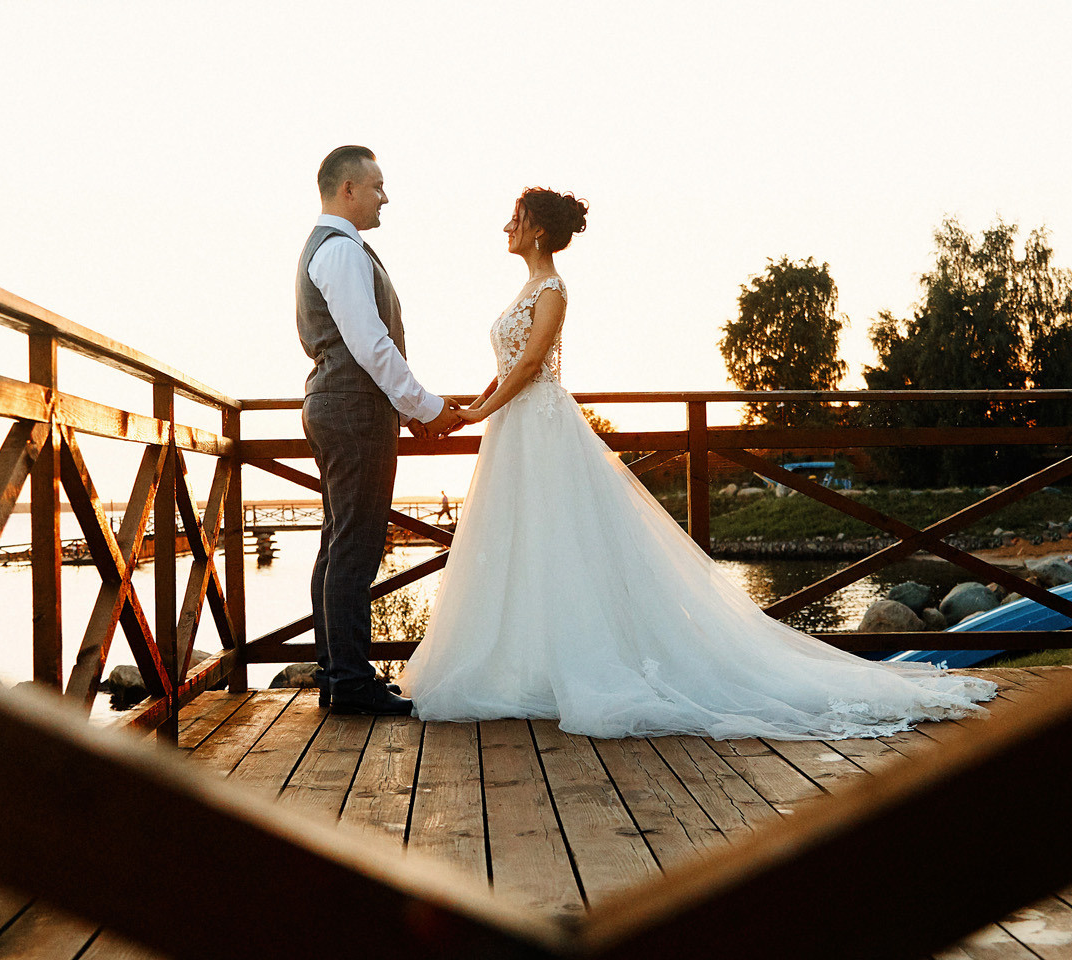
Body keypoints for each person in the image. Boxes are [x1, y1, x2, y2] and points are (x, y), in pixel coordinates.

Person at [404, 187, 995, 739]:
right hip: (516, 431)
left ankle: (583, 666)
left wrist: (477, 414)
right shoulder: (525, 290)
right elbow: (510, 364)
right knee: (522, 545)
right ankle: (521, 668)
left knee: (563, 544)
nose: (506, 226)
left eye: (515, 218)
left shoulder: (553, 290)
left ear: (535, 231)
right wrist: (477, 406)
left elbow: (532, 366)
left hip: (541, 428)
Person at [298, 145, 464, 716]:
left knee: (338, 540)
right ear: (348, 189)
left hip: (338, 404)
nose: (384, 196)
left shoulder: (330, 248)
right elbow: (371, 345)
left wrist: (407, 408)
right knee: (356, 545)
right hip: (352, 409)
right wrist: (424, 407)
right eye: (377, 185)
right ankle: (348, 683)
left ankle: (336, 672)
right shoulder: (341, 251)